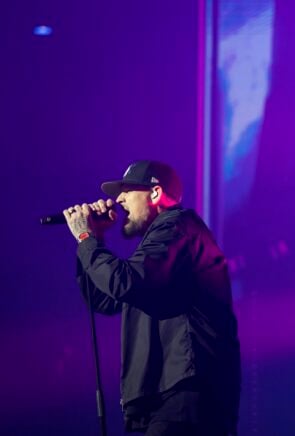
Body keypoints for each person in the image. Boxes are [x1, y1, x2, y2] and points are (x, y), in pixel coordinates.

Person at [63, 160, 241, 436]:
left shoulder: (177, 227)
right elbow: (106, 298)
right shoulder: (158, 246)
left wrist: (87, 238)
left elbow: (123, 282)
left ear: (155, 193)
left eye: (127, 190)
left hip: (186, 394)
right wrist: (91, 239)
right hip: (168, 395)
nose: (118, 199)